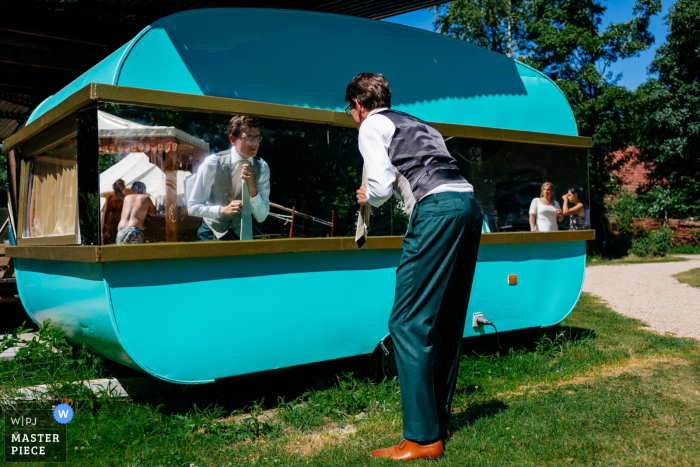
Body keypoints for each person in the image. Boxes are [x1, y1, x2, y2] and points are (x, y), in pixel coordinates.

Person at [346, 73, 483, 461]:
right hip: (468, 208)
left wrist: (367, 193)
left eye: (349, 110)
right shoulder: (419, 123)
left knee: (406, 322)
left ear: (358, 104)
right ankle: (438, 422)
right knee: (446, 319)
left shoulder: (372, 125)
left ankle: (422, 439)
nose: (351, 116)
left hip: (436, 211)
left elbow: (382, 188)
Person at [187, 115, 271, 241]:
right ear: (232, 139)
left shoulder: (262, 167)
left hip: (243, 237)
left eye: (256, 137)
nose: (254, 143)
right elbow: (192, 207)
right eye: (248, 137)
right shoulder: (212, 163)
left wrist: (252, 188)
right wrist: (222, 210)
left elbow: (261, 216)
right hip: (211, 235)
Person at [102, 179, 126, 244]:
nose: (116, 192)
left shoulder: (126, 198)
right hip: (111, 224)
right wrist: (104, 225)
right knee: (111, 242)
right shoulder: (111, 197)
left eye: (117, 190)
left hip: (122, 224)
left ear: (122, 188)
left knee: (121, 242)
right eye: (114, 189)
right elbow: (107, 212)